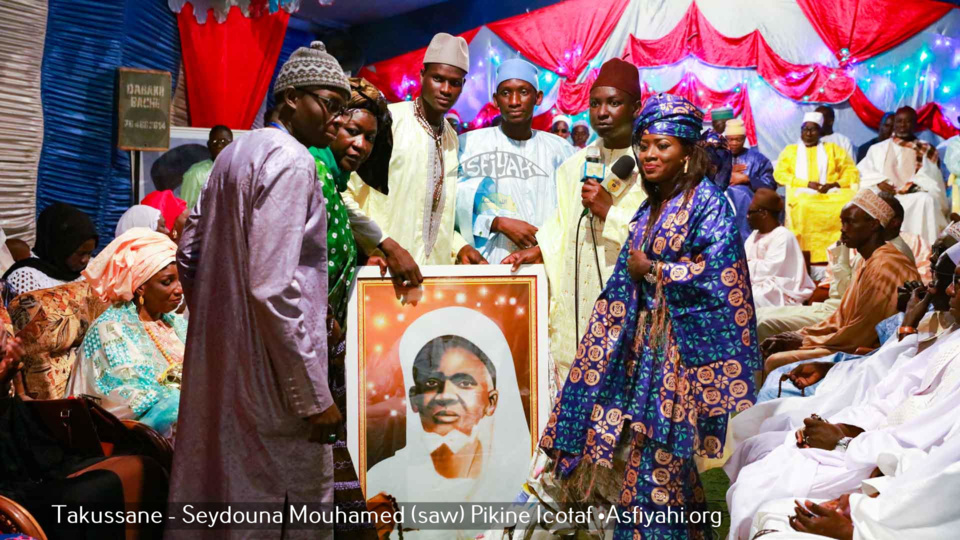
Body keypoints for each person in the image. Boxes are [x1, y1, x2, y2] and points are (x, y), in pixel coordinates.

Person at [533, 93, 760, 538]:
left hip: (679, 354)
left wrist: (656, 270)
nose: (649, 154)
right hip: (639, 348)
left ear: (688, 152)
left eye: (663, 145)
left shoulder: (708, 204)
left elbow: (723, 278)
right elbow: (625, 277)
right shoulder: (647, 206)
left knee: (661, 453)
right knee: (653, 452)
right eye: (645, 144)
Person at [168, 41, 349, 538]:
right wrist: (313, 396)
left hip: (224, 362)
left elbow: (189, 253)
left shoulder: (231, 156)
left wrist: (220, 317)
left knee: (226, 492)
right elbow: (272, 286)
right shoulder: (293, 161)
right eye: (329, 105)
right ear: (290, 98)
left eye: (342, 109)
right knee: (283, 505)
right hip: (277, 375)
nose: (335, 120)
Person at [725, 264, 960, 539]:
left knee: (765, 487)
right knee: (762, 461)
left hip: (889, 470)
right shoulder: (951, 336)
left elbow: (934, 461)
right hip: (876, 440)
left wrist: (844, 444)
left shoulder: (888, 269)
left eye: (953, 279)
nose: (942, 288)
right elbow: (893, 389)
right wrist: (842, 429)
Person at [502, 58, 646, 383]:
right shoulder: (574, 166)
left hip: (628, 309)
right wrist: (538, 249)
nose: (602, 112)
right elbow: (563, 226)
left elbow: (661, 241)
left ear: (636, 107)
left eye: (614, 102)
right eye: (595, 103)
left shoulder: (651, 166)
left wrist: (610, 213)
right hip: (576, 310)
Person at [308, 77, 397, 538]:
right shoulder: (313, 173)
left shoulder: (331, 182)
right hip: (303, 359)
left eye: (369, 138)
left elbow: (344, 221)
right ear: (330, 126)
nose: (360, 145)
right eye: (351, 132)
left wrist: (378, 245)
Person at [366, 308, 528, 523]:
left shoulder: (516, 481)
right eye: (432, 383)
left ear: (491, 402)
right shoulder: (383, 481)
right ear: (414, 398)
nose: (446, 396)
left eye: (464, 383)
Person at [344, 33, 486, 266]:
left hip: (434, 278)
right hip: (384, 271)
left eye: (455, 83)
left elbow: (437, 213)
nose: (446, 89)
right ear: (422, 75)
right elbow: (345, 193)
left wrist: (460, 247)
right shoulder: (388, 123)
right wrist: (381, 245)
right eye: (438, 78)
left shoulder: (451, 138)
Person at [761, 190, 920, 375]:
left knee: (775, 361)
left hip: (871, 352)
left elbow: (862, 333)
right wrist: (802, 334)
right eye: (842, 222)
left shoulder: (885, 265)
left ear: (874, 225)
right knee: (770, 335)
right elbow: (841, 318)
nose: (843, 229)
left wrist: (804, 341)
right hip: (850, 341)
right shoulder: (870, 259)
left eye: (850, 222)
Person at [65, 229, 186, 441]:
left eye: (180, 280)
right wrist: (183, 387)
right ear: (141, 287)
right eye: (167, 282)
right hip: (131, 434)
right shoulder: (111, 329)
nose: (179, 290)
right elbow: (122, 398)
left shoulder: (174, 322)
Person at [455, 59, 576, 264]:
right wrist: (495, 223)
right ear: (495, 99)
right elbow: (451, 207)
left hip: (547, 263)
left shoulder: (560, 150)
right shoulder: (470, 146)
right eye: (505, 93)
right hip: (489, 265)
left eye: (523, 92)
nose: (514, 101)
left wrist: (544, 248)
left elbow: (572, 212)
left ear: (538, 98)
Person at [774, 112, 859, 263]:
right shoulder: (791, 151)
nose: (808, 133)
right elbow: (780, 174)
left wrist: (834, 184)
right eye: (805, 129)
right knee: (805, 205)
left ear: (820, 132)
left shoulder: (833, 149)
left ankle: (841, 252)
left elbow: (851, 171)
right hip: (802, 193)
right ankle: (809, 255)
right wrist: (806, 184)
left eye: (813, 129)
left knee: (848, 202)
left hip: (831, 192)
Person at [858, 106, 948, 245]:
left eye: (907, 122)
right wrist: (879, 183)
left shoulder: (925, 148)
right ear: (894, 124)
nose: (903, 125)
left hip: (912, 195)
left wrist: (912, 186)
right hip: (884, 194)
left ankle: (924, 248)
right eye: (899, 121)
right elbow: (864, 173)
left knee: (926, 200)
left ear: (915, 124)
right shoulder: (877, 148)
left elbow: (932, 178)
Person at [2, 202, 98, 297]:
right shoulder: (26, 277)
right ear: (60, 246)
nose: (85, 260)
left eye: (90, 253)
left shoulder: (91, 271)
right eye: (80, 253)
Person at [745, 189, 815, 308]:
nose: (747, 217)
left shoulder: (783, 235)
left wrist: (747, 265)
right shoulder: (753, 235)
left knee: (753, 296)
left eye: (751, 212)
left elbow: (769, 270)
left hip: (781, 290)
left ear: (763, 213)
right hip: (755, 284)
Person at [725, 118, 777, 241]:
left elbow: (770, 185)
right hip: (722, 206)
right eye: (730, 139)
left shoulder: (758, 159)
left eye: (738, 139)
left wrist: (747, 179)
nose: (734, 143)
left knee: (741, 192)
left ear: (744, 139)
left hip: (749, 209)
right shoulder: (716, 158)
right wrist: (727, 174)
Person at [180, 125, 233, 210]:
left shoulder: (239, 171)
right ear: (209, 145)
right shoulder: (196, 173)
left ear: (232, 144)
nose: (219, 145)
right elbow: (185, 209)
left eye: (223, 141)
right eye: (215, 141)